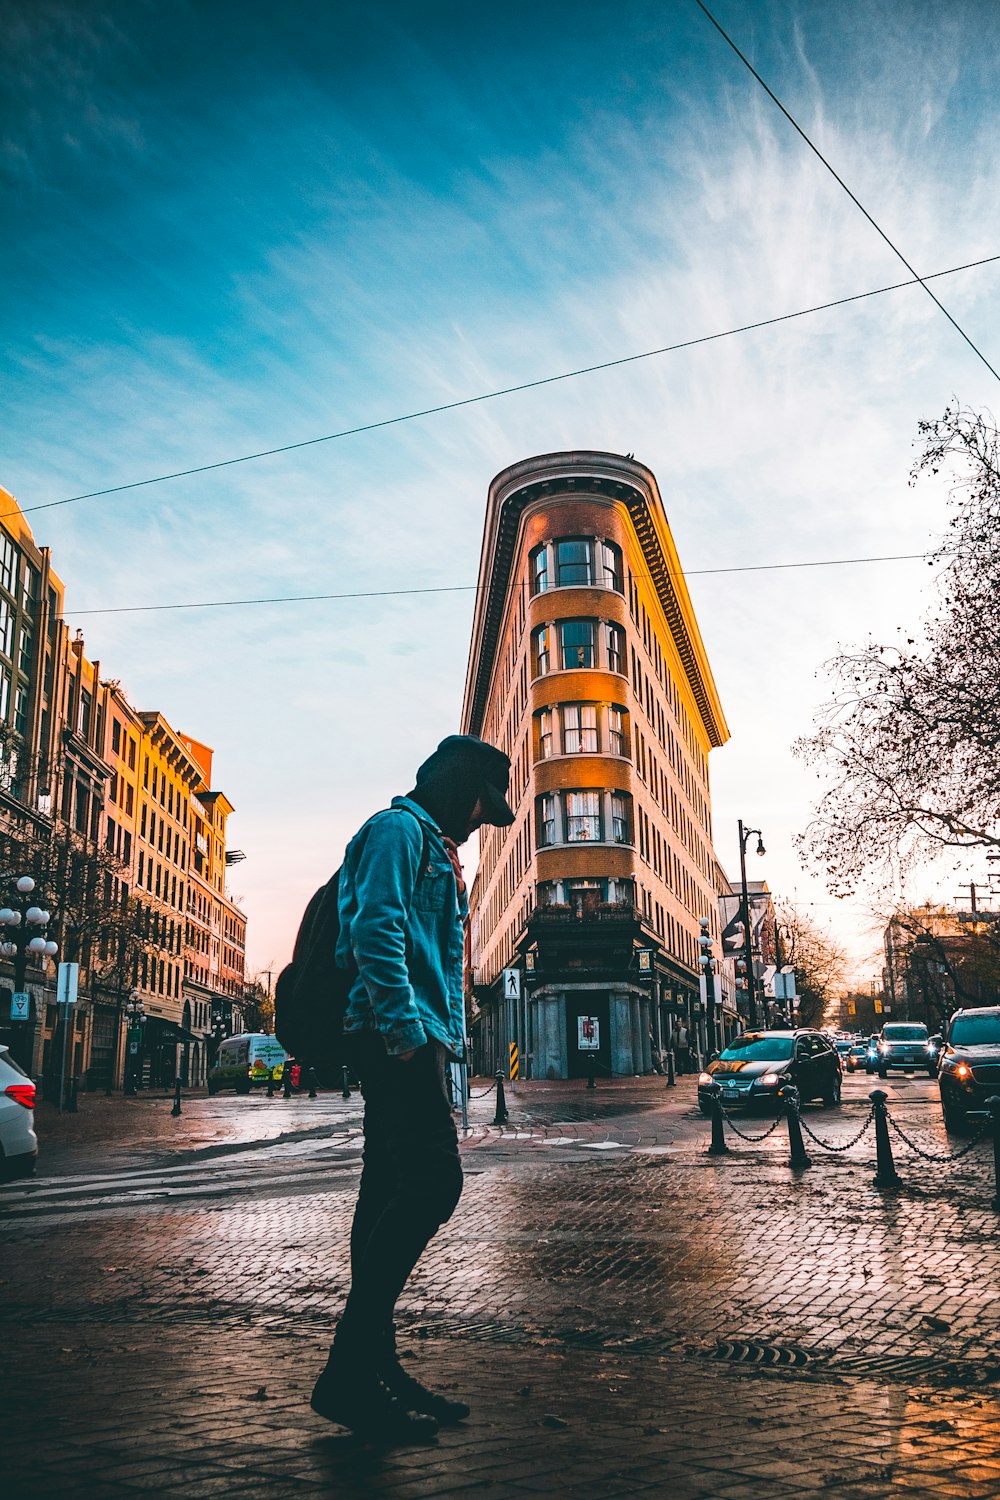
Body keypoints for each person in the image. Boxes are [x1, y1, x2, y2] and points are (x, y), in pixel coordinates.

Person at [310, 734, 515, 1443]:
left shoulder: (435, 847)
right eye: (481, 811)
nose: (478, 825)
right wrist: (406, 1034)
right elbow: (376, 928)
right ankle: (348, 1368)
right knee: (434, 1185)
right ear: (461, 791)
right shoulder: (397, 831)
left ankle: (372, 1368)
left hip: (418, 1035)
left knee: (386, 1191)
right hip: (397, 1035)